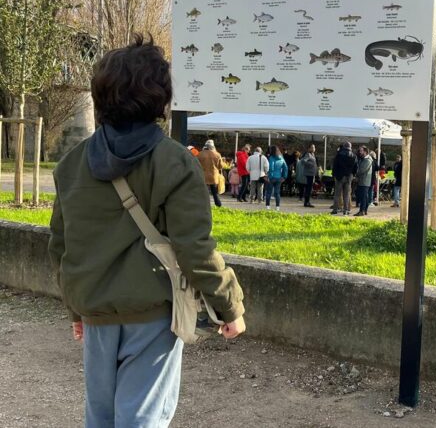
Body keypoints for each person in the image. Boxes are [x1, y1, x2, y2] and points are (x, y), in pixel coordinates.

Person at [47, 35, 245, 426]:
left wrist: (75, 308)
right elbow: (194, 248)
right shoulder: (174, 162)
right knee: (142, 418)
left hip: (95, 312)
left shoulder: (72, 164)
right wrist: (229, 307)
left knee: (100, 418)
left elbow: (61, 245)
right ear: (160, 97)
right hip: (153, 313)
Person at [331, 142, 356, 215]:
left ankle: (335, 210)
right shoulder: (353, 156)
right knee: (347, 194)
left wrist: (334, 174)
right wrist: (352, 175)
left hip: (339, 177)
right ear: (350, 147)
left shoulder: (339, 155)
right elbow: (356, 167)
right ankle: (346, 210)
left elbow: (335, 165)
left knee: (337, 194)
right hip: (348, 177)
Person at [197, 140, 224, 208]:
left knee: (203, 191)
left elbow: (196, 164)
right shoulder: (217, 154)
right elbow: (220, 166)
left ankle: (203, 204)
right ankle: (218, 204)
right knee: (214, 192)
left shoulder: (200, 154)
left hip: (203, 175)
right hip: (213, 176)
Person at [265, 145, 288, 211]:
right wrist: (284, 177)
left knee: (269, 192)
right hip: (279, 177)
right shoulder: (282, 158)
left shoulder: (271, 158)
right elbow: (285, 168)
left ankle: (268, 206)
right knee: (277, 193)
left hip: (272, 177)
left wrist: (269, 176)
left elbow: (271, 167)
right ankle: (277, 207)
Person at [354, 146, 373, 216]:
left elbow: (362, 170)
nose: (360, 152)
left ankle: (362, 211)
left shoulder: (367, 160)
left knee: (363, 197)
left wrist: (356, 174)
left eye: (361, 151)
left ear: (365, 152)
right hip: (363, 181)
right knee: (364, 197)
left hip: (364, 181)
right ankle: (364, 210)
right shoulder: (364, 159)